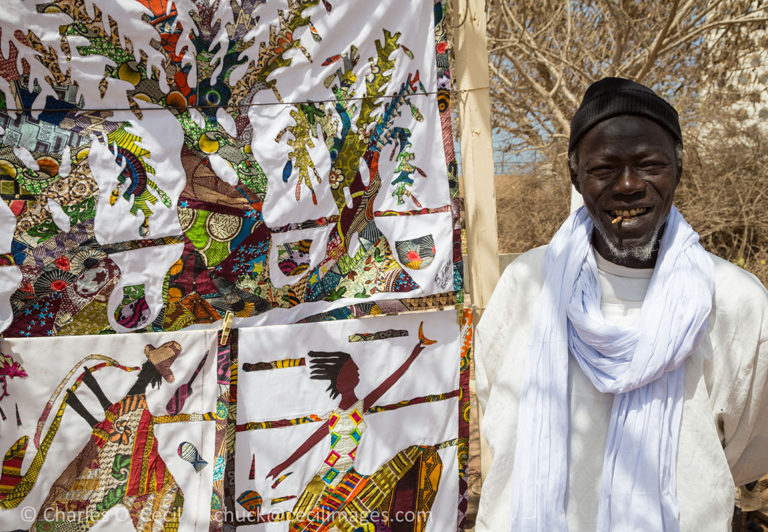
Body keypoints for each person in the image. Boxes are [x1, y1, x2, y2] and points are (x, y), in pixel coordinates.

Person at [474, 77, 768, 531]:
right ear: (575, 176)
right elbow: (496, 402)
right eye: (604, 168)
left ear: (678, 169)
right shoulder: (529, 284)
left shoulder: (733, 299)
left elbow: (748, 446)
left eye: (649, 165)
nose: (629, 185)